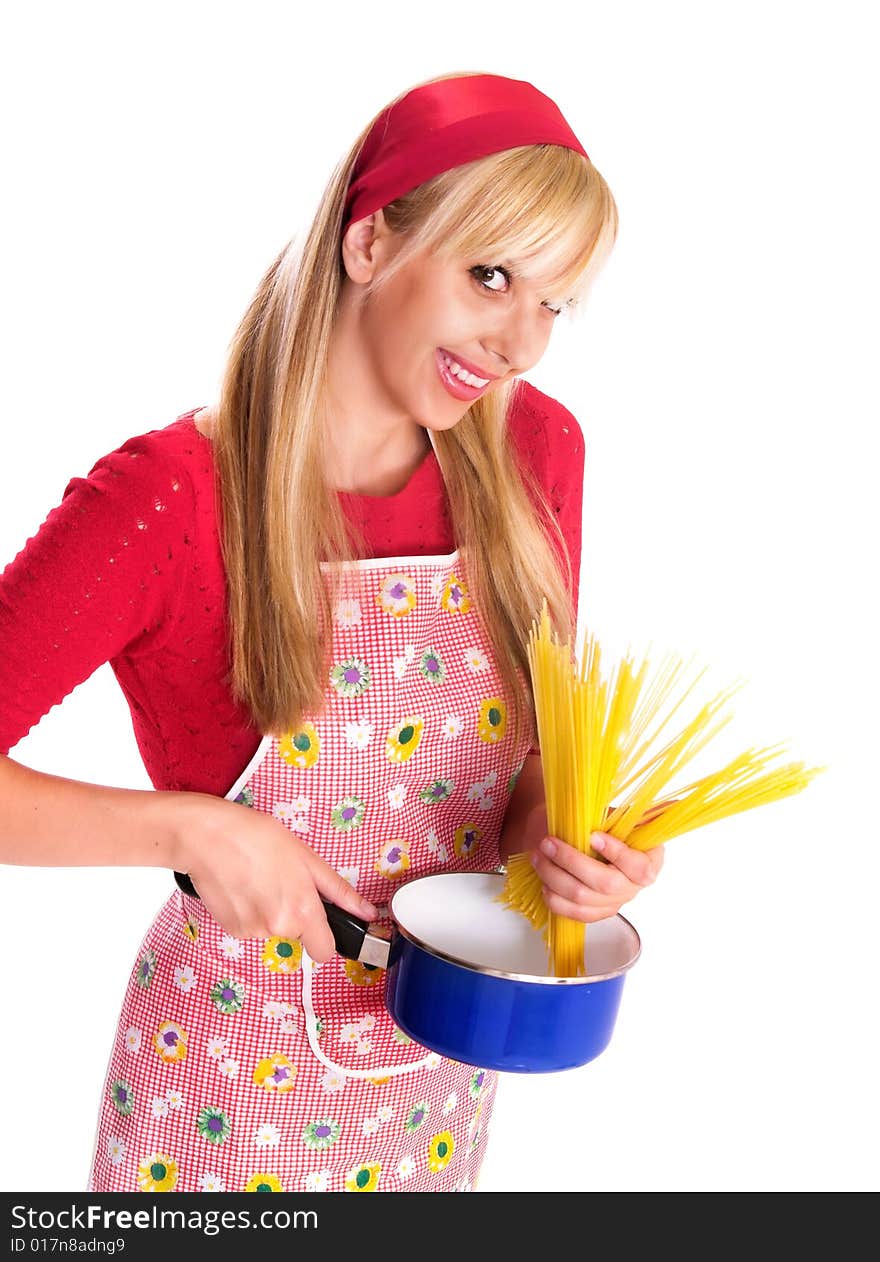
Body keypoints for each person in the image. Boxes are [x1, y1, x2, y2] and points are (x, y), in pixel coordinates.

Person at [0, 69, 664, 1194]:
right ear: (368, 244)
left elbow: (523, 774)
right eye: (490, 276)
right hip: (216, 1086)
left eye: (553, 301)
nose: (520, 343)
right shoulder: (171, 499)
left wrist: (567, 845)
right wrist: (195, 832)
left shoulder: (535, 457)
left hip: (436, 1085)